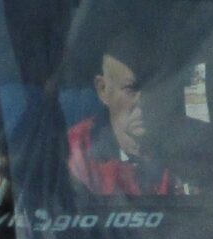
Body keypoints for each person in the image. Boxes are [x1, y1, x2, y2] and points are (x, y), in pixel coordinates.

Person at [68, 44, 180, 197]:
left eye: (154, 86)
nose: (144, 101)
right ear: (103, 89)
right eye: (131, 89)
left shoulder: (189, 143)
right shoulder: (77, 151)